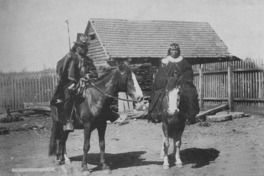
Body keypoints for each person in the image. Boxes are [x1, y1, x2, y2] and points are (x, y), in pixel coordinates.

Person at [50, 33, 98, 131]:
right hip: (71, 83)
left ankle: (105, 114)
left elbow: (94, 72)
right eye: (82, 47)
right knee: (69, 96)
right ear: (77, 47)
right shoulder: (71, 57)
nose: (85, 49)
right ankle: (68, 120)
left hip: (87, 83)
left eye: (86, 46)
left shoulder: (89, 60)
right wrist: (67, 59)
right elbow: (60, 68)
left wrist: (88, 76)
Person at [148, 43, 200, 124]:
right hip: (167, 83)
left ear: (178, 51)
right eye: (172, 50)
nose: (174, 52)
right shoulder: (165, 61)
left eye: (176, 50)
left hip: (181, 83)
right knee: (158, 94)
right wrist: (166, 80)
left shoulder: (183, 62)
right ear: (169, 51)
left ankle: (189, 116)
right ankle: (157, 115)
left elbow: (188, 73)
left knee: (189, 93)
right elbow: (160, 75)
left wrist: (182, 79)